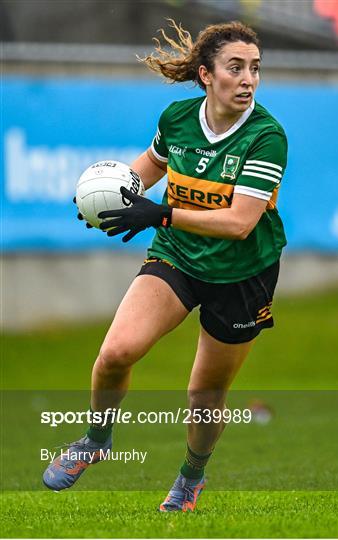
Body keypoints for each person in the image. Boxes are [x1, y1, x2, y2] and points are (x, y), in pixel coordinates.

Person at [43, 19, 287, 512]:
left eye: (254, 69)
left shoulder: (266, 136)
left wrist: (161, 212)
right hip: (178, 255)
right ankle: (95, 440)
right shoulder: (177, 119)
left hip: (243, 274)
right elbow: (145, 170)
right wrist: (106, 196)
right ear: (205, 75)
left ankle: (190, 479)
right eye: (235, 68)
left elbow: (240, 222)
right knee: (115, 353)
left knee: (204, 393)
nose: (248, 79)